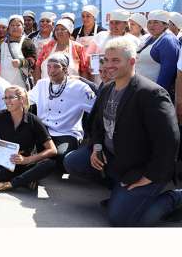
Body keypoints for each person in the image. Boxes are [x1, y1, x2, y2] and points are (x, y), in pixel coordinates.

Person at [64, 36, 182, 227]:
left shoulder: (152, 94)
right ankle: (122, 193)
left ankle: (175, 198)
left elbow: (169, 142)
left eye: (116, 60)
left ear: (132, 61)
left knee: (121, 219)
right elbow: (96, 124)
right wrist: (97, 146)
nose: (109, 65)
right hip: (115, 159)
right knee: (72, 161)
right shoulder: (107, 88)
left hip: (142, 167)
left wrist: (149, 177)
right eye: (107, 60)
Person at [0, 85, 57, 192]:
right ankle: (26, 179)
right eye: (5, 98)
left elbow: (52, 150)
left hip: (26, 163)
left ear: (22, 100)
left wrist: (27, 160)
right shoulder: (1, 116)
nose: (7, 101)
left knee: (49, 164)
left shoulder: (33, 120)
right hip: (5, 163)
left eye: (11, 98)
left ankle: (7, 185)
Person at [29, 52, 96, 170]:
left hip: (66, 132)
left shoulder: (79, 87)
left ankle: (41, 162)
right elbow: (26, 100)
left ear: (65, 69)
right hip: (44, 131)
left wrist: (91, 136)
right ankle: (41, 161)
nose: (51, 71)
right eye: (49, 67)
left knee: (62, 158)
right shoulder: (42, 84)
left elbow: (96, 109)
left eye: (56, 67)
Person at [135, 10, 179, 99]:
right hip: (141, 91)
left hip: (154, 95)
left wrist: (157, 96)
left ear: (165, 25)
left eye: (156, 22)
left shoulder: (168, 41)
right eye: (149, 22)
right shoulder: (148, 38)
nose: (151, 25)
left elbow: (167, 74)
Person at [0, 15, 37, 90]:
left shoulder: (27, 42)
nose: (15, 27)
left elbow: (33, 60)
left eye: (18, 25)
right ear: (8, 28)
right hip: (3, 81)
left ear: (23, 28)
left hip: (20, 83)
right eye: (12, 25)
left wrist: (21, 62)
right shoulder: (2, 43)